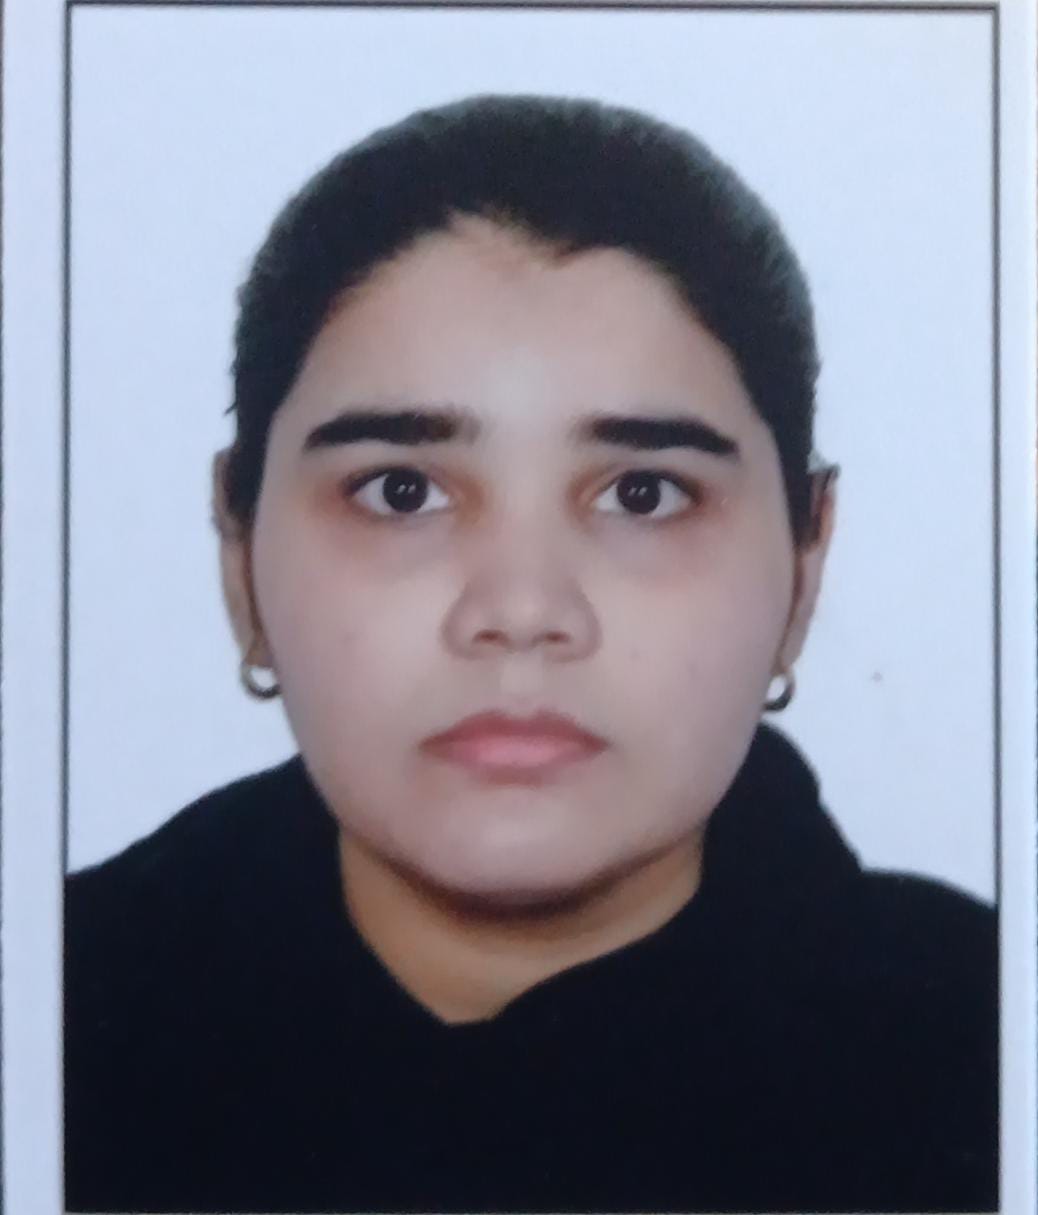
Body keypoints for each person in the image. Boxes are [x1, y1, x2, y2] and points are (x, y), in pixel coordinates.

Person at [64, 94, 997, 1214]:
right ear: (238, 551)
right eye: (400, 491)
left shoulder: (989, 1054)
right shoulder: (54, 1012)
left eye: (643, 494)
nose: (519, 610)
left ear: (805, 561)